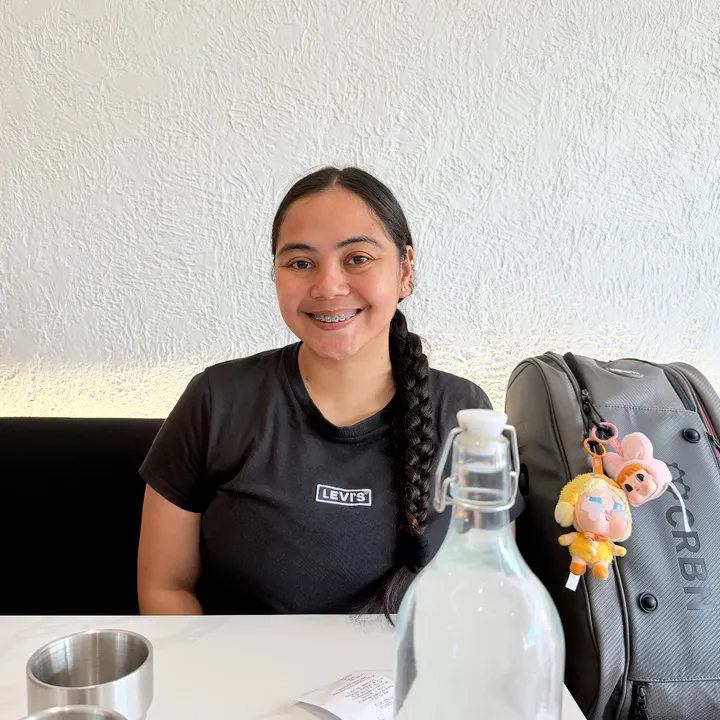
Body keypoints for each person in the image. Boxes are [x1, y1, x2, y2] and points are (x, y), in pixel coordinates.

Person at [137, 166, 524, 616]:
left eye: (357, 258)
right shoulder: (216, 399)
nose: (328, 286)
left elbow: (490, 596)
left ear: (405, 271)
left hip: (411, 662)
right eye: (301, 263)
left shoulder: (464, 413)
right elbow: (165, 587)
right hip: (240, 662)